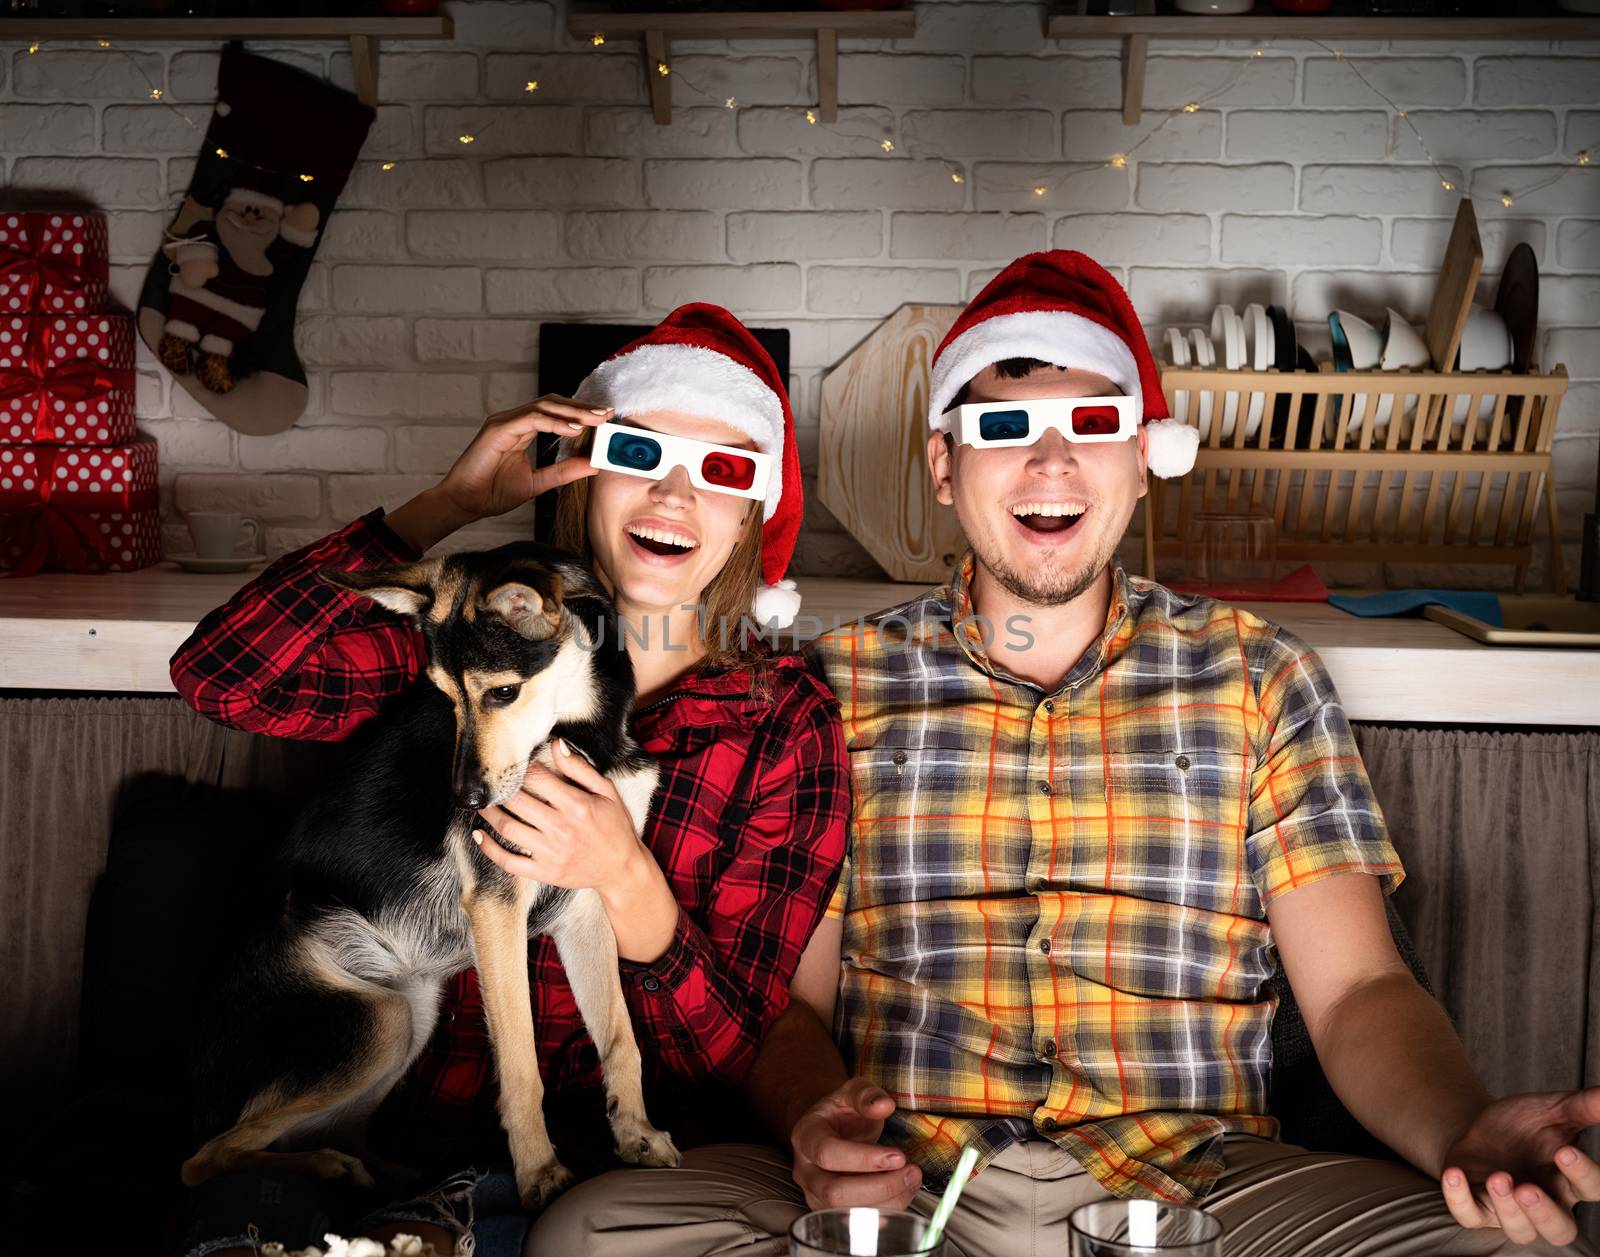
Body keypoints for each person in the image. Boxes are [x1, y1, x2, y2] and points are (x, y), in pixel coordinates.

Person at [528, 253, 1600, 1257]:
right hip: (915, 1188)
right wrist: (816, 1122)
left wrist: (1459, 1126)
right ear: (944, 466)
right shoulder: (832, 685)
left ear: (1143, 459)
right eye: (1004, 427)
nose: (1050, 462)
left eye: (1091, 422)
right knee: (594, 1231)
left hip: (1204, 1189)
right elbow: (793, 1005)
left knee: (1503, 1245)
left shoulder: (1261, 674)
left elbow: (1360, 988)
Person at [168, 304, 848, 1257]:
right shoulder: (466, 641)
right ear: (589, 476)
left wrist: (625, 880)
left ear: (751, 518)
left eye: (723, 472)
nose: (674, 496)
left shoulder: (781, 721)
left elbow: (742, 1048)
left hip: (631, 1192)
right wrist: (445, 505)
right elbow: (224, 674)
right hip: (404, 1158)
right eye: (642, 455)